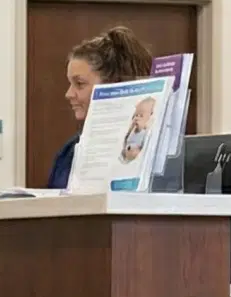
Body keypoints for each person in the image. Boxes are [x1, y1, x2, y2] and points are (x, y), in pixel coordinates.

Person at [47, 26, 154, 189]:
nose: (68, 94)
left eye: (79, 84)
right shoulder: (69, 152)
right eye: (70, 84)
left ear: (113, 85)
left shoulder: (154, 148)